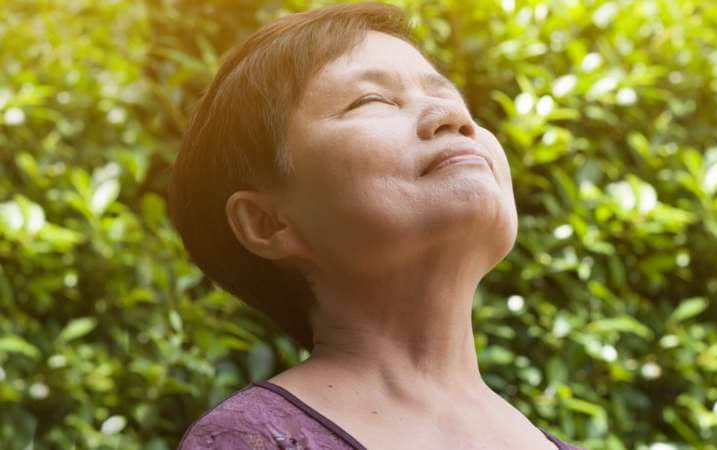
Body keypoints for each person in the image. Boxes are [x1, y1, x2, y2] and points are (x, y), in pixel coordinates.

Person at [167, 3, 580, 449]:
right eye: (373, 100)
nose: (454, 118)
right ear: (268, 223)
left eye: (454, 101)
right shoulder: (253, 440)